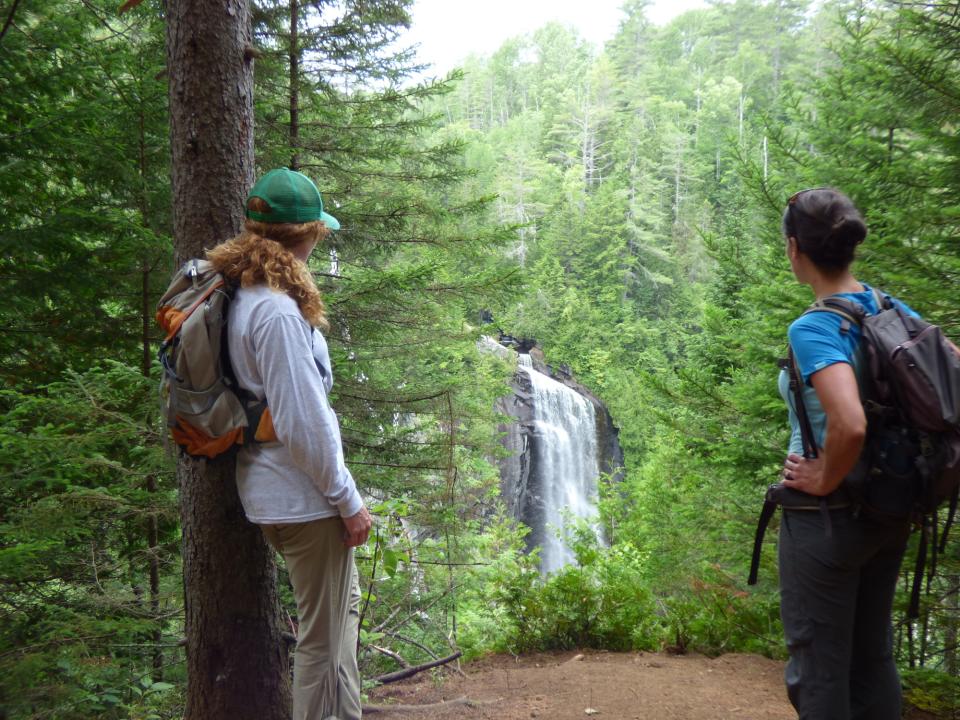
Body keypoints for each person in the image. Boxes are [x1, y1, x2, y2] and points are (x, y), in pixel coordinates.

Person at [207, 167, 373, 720]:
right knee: (322, 650)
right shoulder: (277, 313)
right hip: (306, 501)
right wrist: (347, 501)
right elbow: (303, 420)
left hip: (276, 492)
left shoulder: (245, 293)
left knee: (337, 627)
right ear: (306, 236)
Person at [775, 187, 912, 720]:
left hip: (825, 520)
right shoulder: (888, 308)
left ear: (794, 249)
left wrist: (824, 478)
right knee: (871, 659)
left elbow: (848, 422)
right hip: (887, 510)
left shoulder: (814, 327)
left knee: (818, 669)